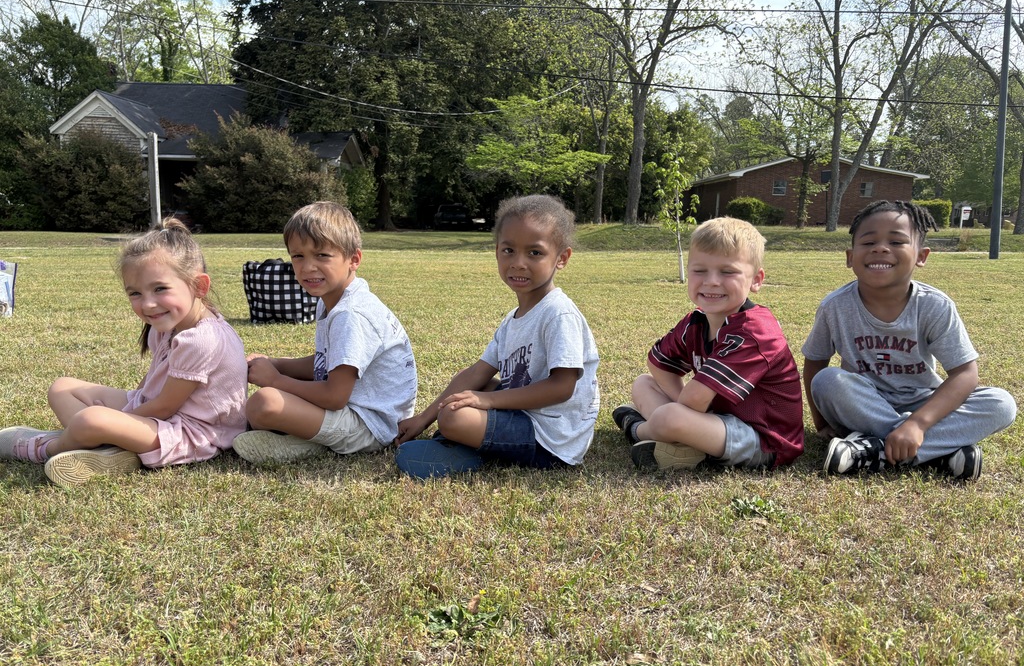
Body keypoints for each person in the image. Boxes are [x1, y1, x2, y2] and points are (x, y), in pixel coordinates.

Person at [0, 218, 248, 487]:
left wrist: (115, 420)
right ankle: (106, 446)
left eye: (160, 289)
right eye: (135, 293)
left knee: (91, 419)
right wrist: (121, 418)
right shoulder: (169, 323)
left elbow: (165, 406)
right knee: (62, 388)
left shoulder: (201, 339)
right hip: (159, 417)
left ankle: (49, 446)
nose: (148, 304)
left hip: (194, 434)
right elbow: (152, 381)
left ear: (199, 286)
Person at [803, 200, 1016, 480]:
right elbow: (815, 363)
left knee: (1001, 403)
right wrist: (820, 423)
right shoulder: (835, 307)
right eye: (868, 242)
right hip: (864, 404)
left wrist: (917, 423)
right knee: (828, 381)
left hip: (923, 403)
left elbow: (965, 373)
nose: (881, 248)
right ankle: (940, 452)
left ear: (921, 256)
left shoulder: (934, 306)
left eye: (896, 241)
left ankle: (874, 451)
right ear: (849, 256)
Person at [393, 194, 600, 479]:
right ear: (496, 252)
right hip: (525, 416)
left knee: (457, 414)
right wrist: (422, 418)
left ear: (561, 258)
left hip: (552, 438)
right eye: (508, 250)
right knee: (475, 390)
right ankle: (459, 440)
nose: (518, 262)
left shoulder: (558, 314)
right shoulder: (513, 319)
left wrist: (485, 402)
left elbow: (562, 387)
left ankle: (461, 449)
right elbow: (478, 372)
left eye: (535, 253)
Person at [613, 216, 803, 472]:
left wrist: (682, 417)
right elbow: (658, 365)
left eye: (728, 271)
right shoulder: (696, 321)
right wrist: (690, 418)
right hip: (716, 421)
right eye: (700, 270)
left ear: (756, 280)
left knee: (672, 416)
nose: (712, 281)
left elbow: (694, 401)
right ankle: (683, 441)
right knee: (643, 383)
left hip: (764, 438)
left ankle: (638, 429)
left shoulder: (755, 331)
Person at [232, 201, 417, 463]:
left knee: (265, 403)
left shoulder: (350, 313)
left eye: (322, 256)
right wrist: (276, 364)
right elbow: (328, 363)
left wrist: (275, 380)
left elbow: (334, 396)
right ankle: (305, 436)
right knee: (262, 405)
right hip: (356, 409)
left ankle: (307, 445)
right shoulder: (333, 299)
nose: (308, 267)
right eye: (298, 256)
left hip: (370, 426)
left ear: (354, 259)